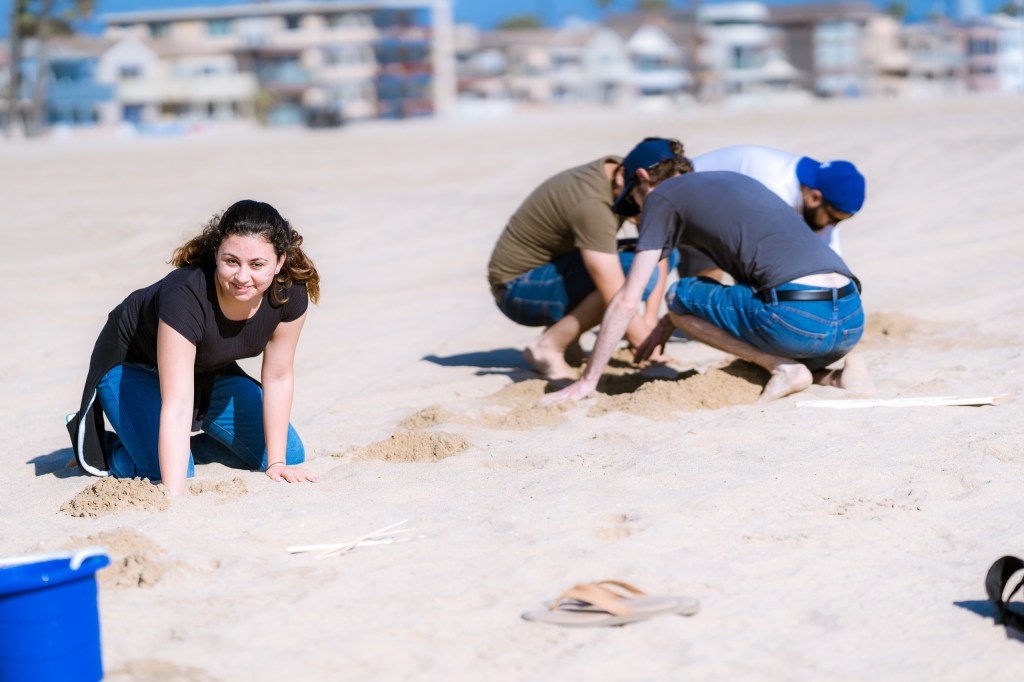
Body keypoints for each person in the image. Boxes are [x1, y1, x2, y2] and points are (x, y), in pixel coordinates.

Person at [541, 139, 870, 407]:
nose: (637, 214)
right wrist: (668, 322)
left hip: (798, 317)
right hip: (851, 322)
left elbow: (627, 300)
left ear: (642, 179)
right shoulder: (737, 182)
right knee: (761, 318)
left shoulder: (662, 198)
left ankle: (782, 369)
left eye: (634, 204)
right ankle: (838, 375)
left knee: (678, 295)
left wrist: (587, 381)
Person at [66, 200, 321, 495]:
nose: (242, 277)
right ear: (216, 255)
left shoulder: (288, 294)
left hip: (208, 367)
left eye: (257, 265)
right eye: (231, 261)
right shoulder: (184, 294)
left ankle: (183, 449)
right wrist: (173, 498)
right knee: (165, 472)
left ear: (279, 261)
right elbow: (177, 403)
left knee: (289, 453)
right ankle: (107, 449)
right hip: (132, 365)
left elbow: (278, 377)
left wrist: (277, 463)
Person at [487, 139, 692, 380]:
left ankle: (567, 335)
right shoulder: (592, 203)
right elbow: (614, 287)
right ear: (633, 177)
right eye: (655, 201)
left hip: (556, 268)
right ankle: (548, 346)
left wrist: (647, 324)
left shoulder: (625, 175)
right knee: (631, 271)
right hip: (517, 289)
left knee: (663, 254)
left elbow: (658, 252)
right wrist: (647, 346)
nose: (660, 208)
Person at [680, 144, 866, 279]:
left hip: (729, 205)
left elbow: (830, 257)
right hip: (689, 195)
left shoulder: (826, 193)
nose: (833, 226)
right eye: (833, 219)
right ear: (815, 198)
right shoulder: (775, 189)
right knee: (713, 271)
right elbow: (753, 254)